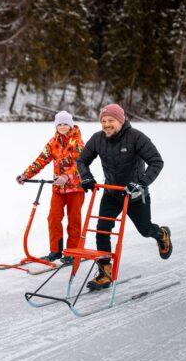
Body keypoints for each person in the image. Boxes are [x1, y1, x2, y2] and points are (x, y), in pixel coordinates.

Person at [76, 103, 172, 291]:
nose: (106, 125)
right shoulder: (98, 139)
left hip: (135, 194)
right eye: (103, 121)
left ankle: (162, 234)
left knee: (145, 230)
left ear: (121, 120)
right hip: (111, 193)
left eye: (111, 120)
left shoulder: (136, 137)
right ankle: (105, 272)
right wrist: (85, 176)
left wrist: (141, 182)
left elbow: (156, 161)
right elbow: (82, 160)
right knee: (102, 230)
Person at [16, 110, 86, 263]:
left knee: (73, 220)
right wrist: (26, 175)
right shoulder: (53, 142)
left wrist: (66, 176)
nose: (62, 127)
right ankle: (55, 250)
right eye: (59, 124)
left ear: (70, 125)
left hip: (76, 188)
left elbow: (80, 165)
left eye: (65, 124)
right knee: (53, 218)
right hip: (58, 189)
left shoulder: (78, 142)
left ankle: (72, 253)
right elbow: (41, 160)